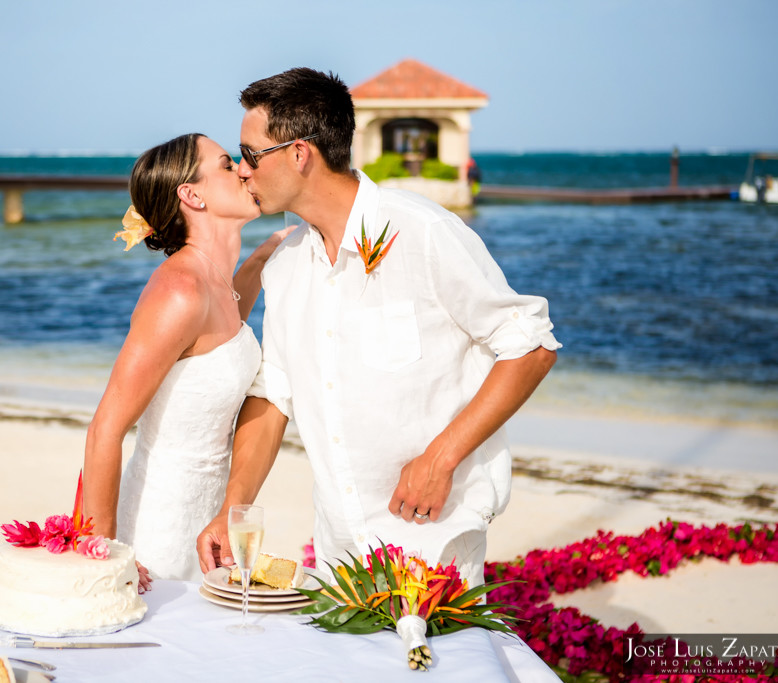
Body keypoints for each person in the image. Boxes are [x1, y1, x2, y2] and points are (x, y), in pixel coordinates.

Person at [196, 68, 561, 588]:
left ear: (300, 154)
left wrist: (441, 457)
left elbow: (530, 344)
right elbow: (273, 394)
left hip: (435, 542)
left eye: (251, 154)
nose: (243, 171)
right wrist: (234, 508)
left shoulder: (423, 232)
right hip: (337, 552)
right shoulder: (284, 266)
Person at [82, 133, 288, 586]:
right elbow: (105, 429)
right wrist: (103, 558)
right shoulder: (179, 292)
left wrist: (281, 245)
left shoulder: (215, 282)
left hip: (209, 520)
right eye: (225, 163)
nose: (242, 168)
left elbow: (227, 331)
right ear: (192, 195)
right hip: (158, 529)